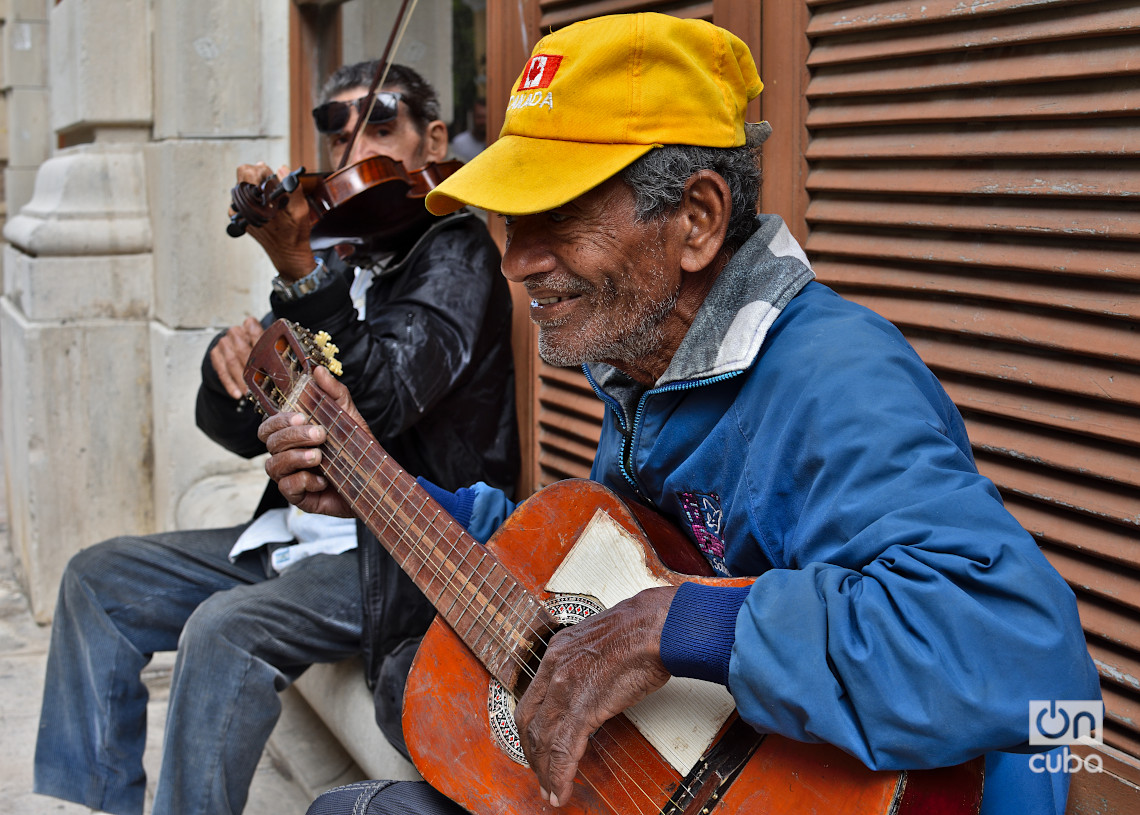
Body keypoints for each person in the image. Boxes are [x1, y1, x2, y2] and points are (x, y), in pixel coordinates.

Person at [260, 14, 1101, 815]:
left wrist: (675, 625)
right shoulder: (645, 364)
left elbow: (1030, 654)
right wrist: (378, 489)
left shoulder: (834, 381)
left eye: (559, 215)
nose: (516, 260)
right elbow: (574, 564)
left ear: (696, 220)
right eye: (514, 221)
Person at [33, 60, 519, 815]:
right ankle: (90, 802)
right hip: (291, 533)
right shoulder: (345, 256)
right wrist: (225, 370)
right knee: (99, 580)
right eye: (338, 135)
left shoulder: (456, 253)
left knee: (224, 630)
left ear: (430, 140)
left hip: (394, 551)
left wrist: (297, 272)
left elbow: (378, 402)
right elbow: (242, 425)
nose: (353, 154)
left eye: (379, 126)